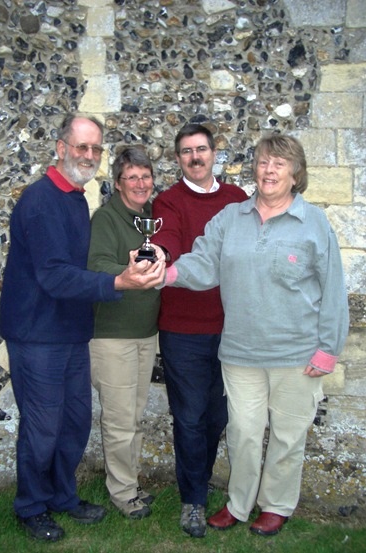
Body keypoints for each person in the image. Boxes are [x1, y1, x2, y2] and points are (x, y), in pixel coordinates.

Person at [161, 134, 349, 537]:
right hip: (240, 352)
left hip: (297, 355)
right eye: (264, 162)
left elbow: (333, 288)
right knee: (243, 434)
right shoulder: (231, 217)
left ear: (296, 174)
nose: (269, 170)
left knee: (286, 436)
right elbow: (204, 263)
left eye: (279, 164)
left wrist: (328, 350)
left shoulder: (313, 221)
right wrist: (166, 273)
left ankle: (277, 505)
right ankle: (239, 503)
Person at [0, 113, 165, 542]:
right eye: (81, 147)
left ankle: (62, 496)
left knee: (74, 422)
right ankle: (31, 506)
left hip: (72, 332)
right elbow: (54, 276)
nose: (88, 155)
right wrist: (117, 282)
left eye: (95, 149)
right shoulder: (39, 201)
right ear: (61, 148)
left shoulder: (74, 197)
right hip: (36, 335)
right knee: (43, 427)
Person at [151, 123, 248, 538]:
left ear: (214, 154)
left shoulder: (238, 199)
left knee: (218, 417)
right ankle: (193, 500)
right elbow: (167, 235)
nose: (195, 157)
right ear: (178, 159)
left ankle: (200, 479)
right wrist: (160, 253)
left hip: (235, 329)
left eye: (202, 149)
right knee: (189, 417)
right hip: (184, 330)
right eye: (187, 151)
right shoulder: (168, 201)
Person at [88, 146, 160, 519]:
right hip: (112, 336)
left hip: (146, 333)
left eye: (145, 176)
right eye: (132, 177)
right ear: (118, 183)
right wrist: (130, 273)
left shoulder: (149, 218)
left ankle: (129, 482)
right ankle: (122, 493)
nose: (140, 183)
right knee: (118, 420)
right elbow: (97, 265)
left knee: (134, 415)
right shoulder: (106, 219)